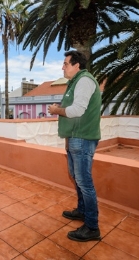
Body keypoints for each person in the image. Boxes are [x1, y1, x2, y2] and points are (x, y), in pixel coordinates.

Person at [48, 50, 102, 242]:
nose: (63, 67)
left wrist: (56, 110)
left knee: (84, 181)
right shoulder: (75, 82)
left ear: (76, 65)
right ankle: (81, 211)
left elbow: (78, 110)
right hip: (75, 137)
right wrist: (68, 138)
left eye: (65, 63)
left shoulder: (85, 81)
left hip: (83, 138)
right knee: (77, 178)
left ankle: (92, 226)